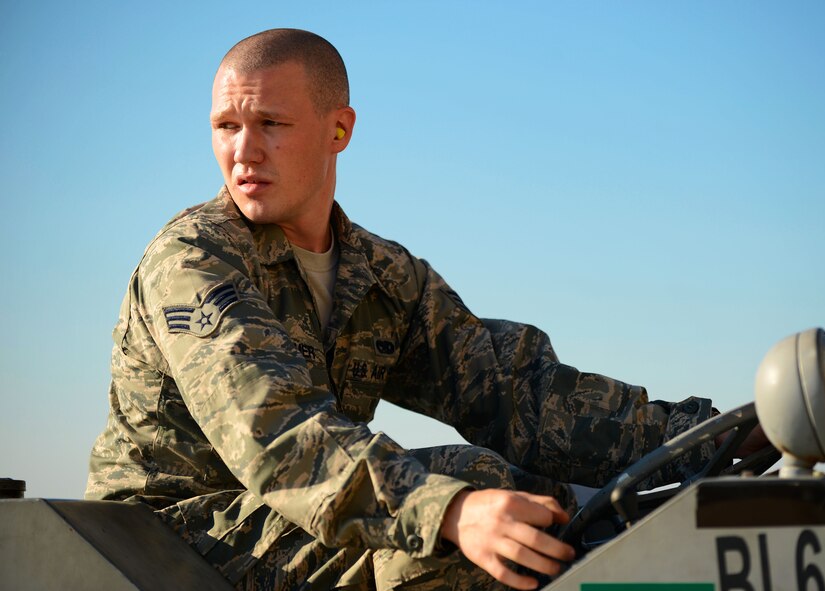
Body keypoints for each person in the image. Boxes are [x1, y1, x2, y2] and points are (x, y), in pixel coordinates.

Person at [86, 29, 751, 590]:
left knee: (532, 501)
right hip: (170, 530)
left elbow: (515, 391)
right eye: (226, 127)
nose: (244, 151)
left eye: (272, 125)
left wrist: (712, 439)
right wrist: (451, 509)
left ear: (339, 129)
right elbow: (280, 435)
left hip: (299, 511)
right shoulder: (195, 260)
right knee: (472, 534)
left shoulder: (376, 272)